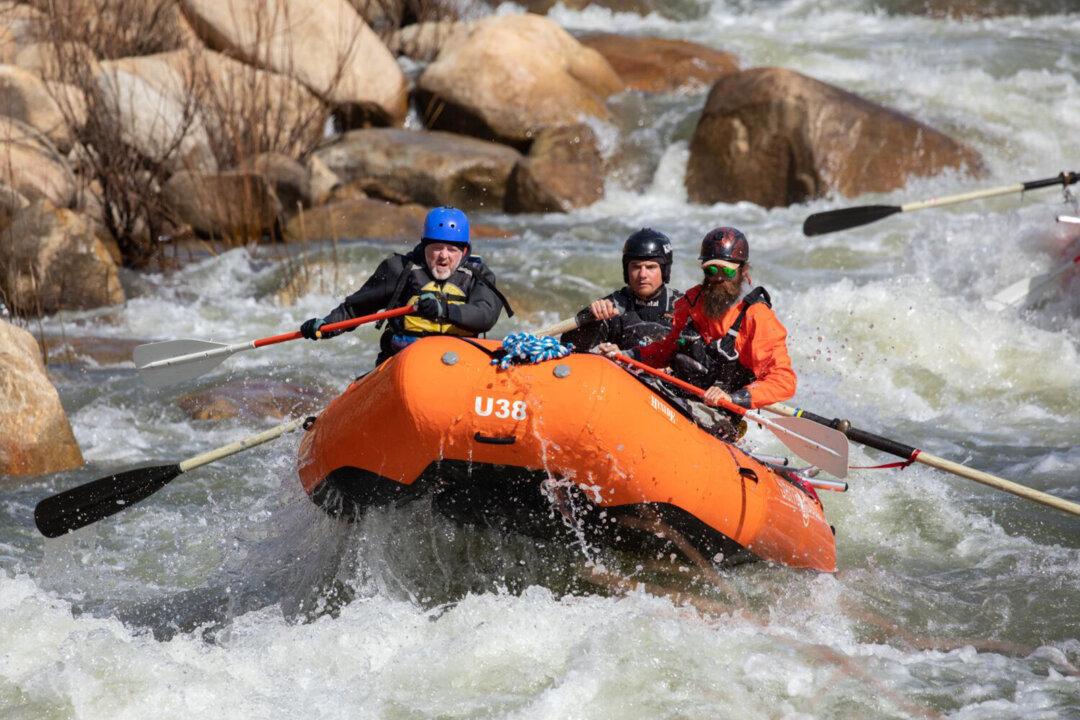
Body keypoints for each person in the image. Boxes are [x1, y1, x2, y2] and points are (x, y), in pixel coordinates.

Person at [598, 226, 795, 439]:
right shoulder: (691, 303)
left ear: (743, 271)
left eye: (727, 271)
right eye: (711, 270)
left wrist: (735, 398)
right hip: (676, 395)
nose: (718, 277)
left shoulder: (757, 316)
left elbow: (783, 380)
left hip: (716, 414)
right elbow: (666, 349)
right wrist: (627, 356)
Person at [300, 207, 512, 364]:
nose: (443, 257)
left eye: (452, 250)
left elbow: (485, 316)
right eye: (436, 248)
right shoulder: (398, 269)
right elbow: (354, 309)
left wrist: (442, 310)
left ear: (464, 252)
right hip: (404, 363)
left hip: (458, 363)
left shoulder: (478, 275)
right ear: (424, 245)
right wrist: (325, 326)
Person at [561, 228, 682, 351]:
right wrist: (591, 321)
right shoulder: (609, 309)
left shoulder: (684, 306)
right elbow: (568, 346)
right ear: (626, 270)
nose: (642, 275)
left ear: (665, 271)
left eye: (650, 267)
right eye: (636, 267)